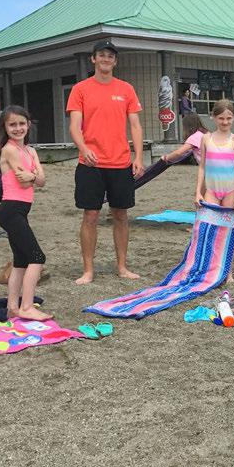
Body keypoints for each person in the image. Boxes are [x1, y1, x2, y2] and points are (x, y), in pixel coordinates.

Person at [67, 39, 144, 285]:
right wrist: (84, 148)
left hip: (120, 163)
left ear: (115, 61)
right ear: (93, 59)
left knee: (120, 214)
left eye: (110, 56)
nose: (105, 59)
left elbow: (135, 125)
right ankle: (88, 270)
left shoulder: (126, 89)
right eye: (101, 55)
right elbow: (75, 126)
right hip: (90, 163)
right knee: (90, 215)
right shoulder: (80, 89)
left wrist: (138, 157)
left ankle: (122, 267)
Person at [0, 106, 50, 320]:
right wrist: (34, 175)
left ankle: (12, 307)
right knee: (37, 257)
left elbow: (41, 181)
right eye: (12, 125)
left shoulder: (31, 151)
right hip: (10, 211)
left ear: (28, 124)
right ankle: (26, 306)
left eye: (21, 123)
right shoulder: (9, 150)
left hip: (20, 211)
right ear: (5, 128)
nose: (18, 128)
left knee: (21, 261)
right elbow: (24, 182)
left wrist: (33, 175)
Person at [164, 113, 234, 218]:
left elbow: (179, 153)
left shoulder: (195, 137)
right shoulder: (207, 133)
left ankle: (228, 221)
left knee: (226, 197)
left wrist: (166, 158)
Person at [195, 99, 234, 211]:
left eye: (229, 118)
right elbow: (202, 167)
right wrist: (198, 192)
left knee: (227, 222)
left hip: (231, 191)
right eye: (221, 118)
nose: (225, 122)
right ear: (213, 117)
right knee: (208, 221)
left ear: (233, 117)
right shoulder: (206, 139)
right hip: (211, 191)